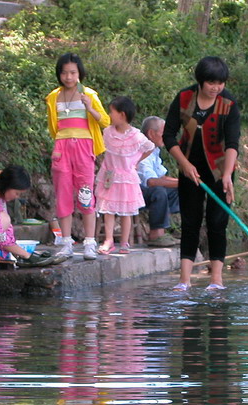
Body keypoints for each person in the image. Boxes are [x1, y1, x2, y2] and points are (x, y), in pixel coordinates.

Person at [162, 56, 240, 291]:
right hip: (190, 168)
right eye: (211, 83)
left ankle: (216, 280)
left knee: (217, 222)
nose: (216, 88)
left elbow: (233, 143)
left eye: (221, 83)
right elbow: (168, 135)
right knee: (190, 222)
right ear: (200, 81)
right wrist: (184, 165)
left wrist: (227, 175)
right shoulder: (185, 97)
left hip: (219, 170)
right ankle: (184, 280)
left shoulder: (229, 103)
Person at [45, 53, 111, 260]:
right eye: (64, 73)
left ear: (79, 73)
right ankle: (66, 243)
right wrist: (59, 145)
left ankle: (89, 243)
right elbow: (53, 127)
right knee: (63, 194)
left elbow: (106, 121)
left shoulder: (89, 94)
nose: (68, 77)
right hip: (61, 147)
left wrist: (90, 108)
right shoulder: (53, 96)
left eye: (73, 72)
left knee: (85, 194)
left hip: (84, 147)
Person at [94, 96, 154, 255]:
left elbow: (150, 147)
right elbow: (101, 149)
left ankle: (124, 241)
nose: (109, 115)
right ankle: (108, 240)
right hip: (109, 175)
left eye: (111, 112)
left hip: (127, 177)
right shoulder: (107, 132)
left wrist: (136, 161)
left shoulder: (136, 136)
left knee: (127, 211)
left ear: (122, 114)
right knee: (108, 209)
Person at [137, 116, 180, 247]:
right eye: (163, 133)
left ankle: (167, 229)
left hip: (148, 190)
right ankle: (156, 234)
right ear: (151, 133)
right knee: (159, 191)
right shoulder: (143, 149)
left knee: (183, 191)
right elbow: (151, 182)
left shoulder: (155, 150)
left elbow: (162, 176)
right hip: (134, 192)